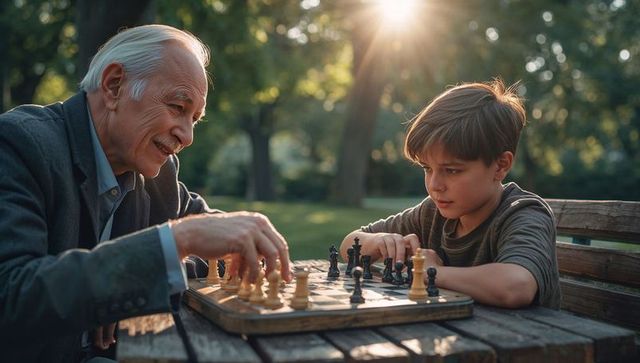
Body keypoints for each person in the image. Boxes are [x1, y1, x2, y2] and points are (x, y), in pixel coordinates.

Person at [0, 24, 291, 362]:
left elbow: (216, 241)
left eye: (195, 119)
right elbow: (11, 296)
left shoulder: (153, 171)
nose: (187, 136)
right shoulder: (19, 145)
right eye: (177, 107)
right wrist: (178, 239)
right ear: (114, 86)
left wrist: (117, 287)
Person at [340, 80, 560, 309]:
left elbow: (516, 286)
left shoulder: (523, 214)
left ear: (500, 166)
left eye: (452, 170)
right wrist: (378, 241)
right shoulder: (432, 213)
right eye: (427, 168)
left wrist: (433, 272)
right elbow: (349, 244)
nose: (435, 185)